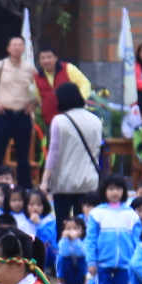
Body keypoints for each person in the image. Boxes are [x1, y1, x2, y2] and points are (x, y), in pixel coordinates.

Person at [42, 79, 105, 222]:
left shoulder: (59, 120)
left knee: (62, 223)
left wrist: (45, 180)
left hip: (64, 181)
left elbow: (53, 153)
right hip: (90, 180)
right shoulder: (95, 120)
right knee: (84, 224)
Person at [0, 36, 39, 187]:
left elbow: (40, 88)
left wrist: (34, 103)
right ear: (8, 48)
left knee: (23, 156)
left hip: (23, 116)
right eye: (14, 45)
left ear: (24, 48)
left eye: (20, 45)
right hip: (4, 115)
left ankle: (25, 188)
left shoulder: (30, 68)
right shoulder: (0, 66)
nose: (17, 48)